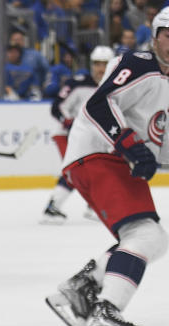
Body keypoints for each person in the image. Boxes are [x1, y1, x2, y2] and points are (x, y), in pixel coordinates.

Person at [45, 7, 169, 326]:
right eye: (168, 35)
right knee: (145, 234)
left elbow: (157, 141)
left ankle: (81, 289)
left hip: (111, 161)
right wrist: (128, 144)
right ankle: (104, 313)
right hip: (99, 155)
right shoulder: (140, 61)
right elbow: (99, 104)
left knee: (153, 239)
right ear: (154, 37)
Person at [41, 45, 114, 224]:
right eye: (97, 64)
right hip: (68, 135)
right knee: (75, 170)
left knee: (97, 170)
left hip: (94, 138)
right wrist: (69, 123)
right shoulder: (78, 83)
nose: (100, 69)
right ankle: (52, 208)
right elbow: (56, 106)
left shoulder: (116, 86)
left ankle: (92, 206)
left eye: (105, 64)